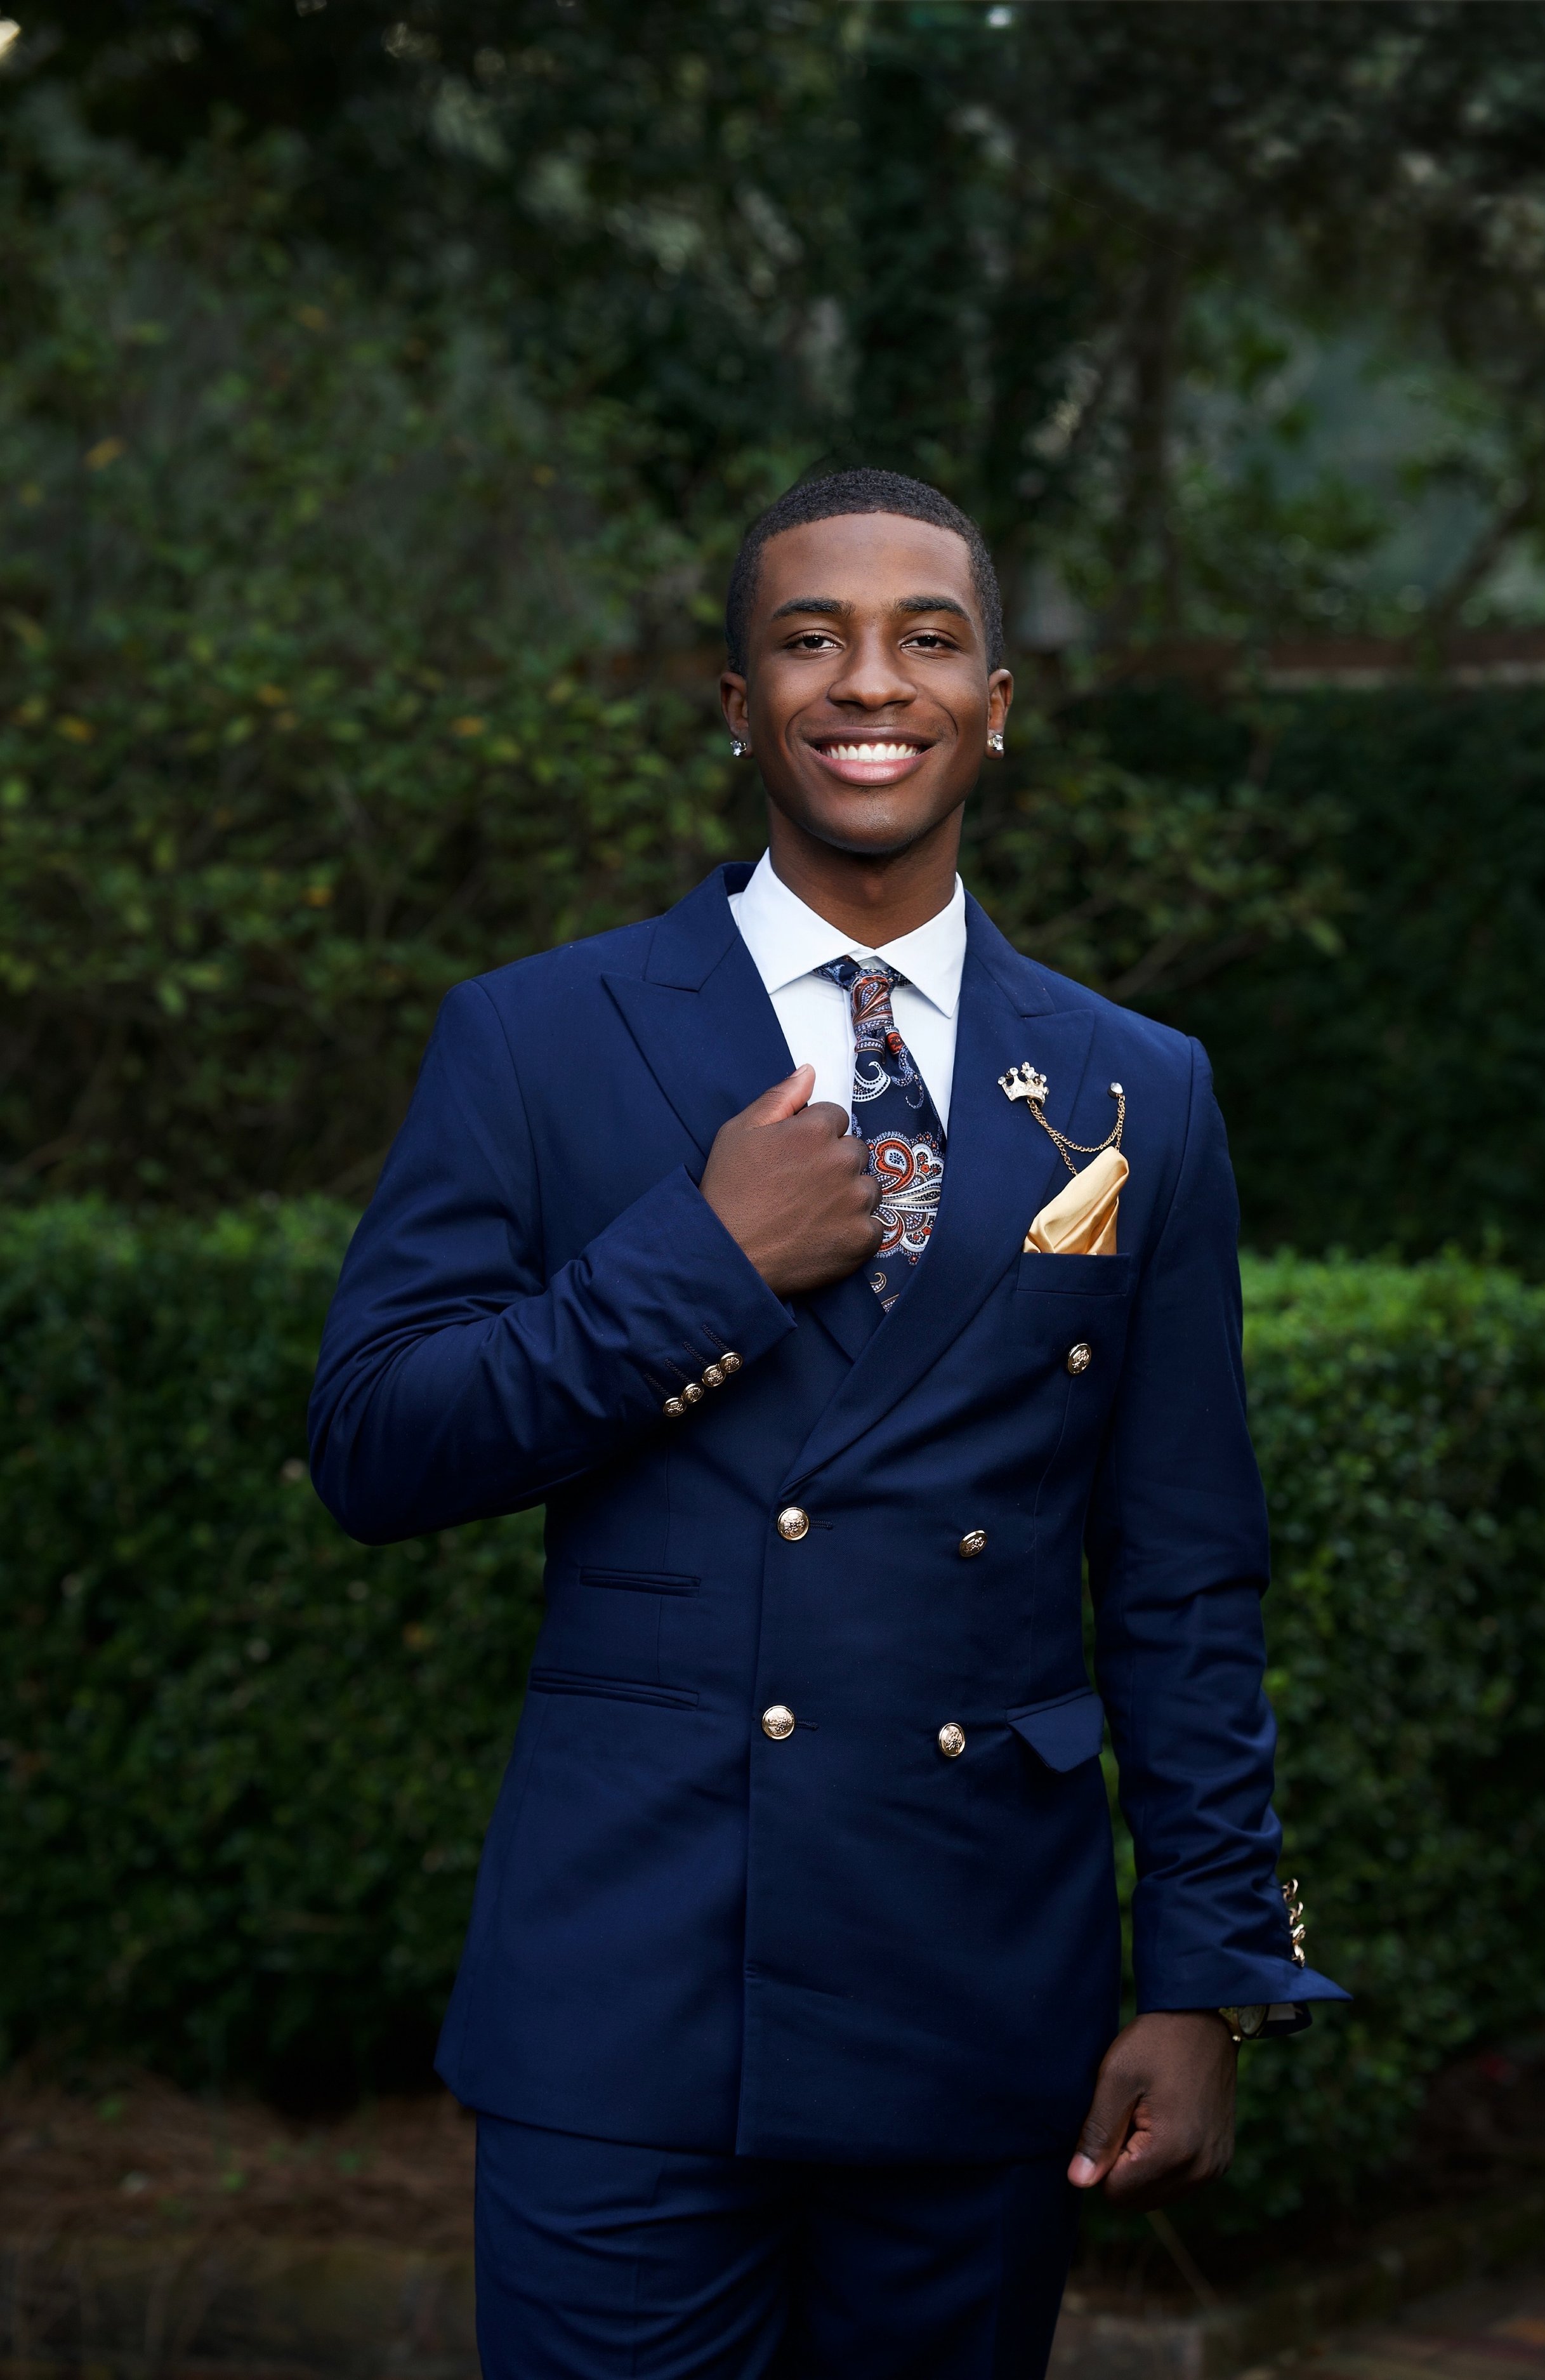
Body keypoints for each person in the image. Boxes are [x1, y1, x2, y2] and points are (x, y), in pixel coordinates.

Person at [310, 468, 1344, 2380]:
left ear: (996, 703)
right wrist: (699, 1262)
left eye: (925, 639)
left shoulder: (1141, 1090)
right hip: (623, 2001)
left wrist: (1206, 1978)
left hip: (974, 1996)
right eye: (809, 639)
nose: (869, 683)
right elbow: (375, 1443)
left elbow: (1186, 1569)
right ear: (733, 703)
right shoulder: (535, 1037)